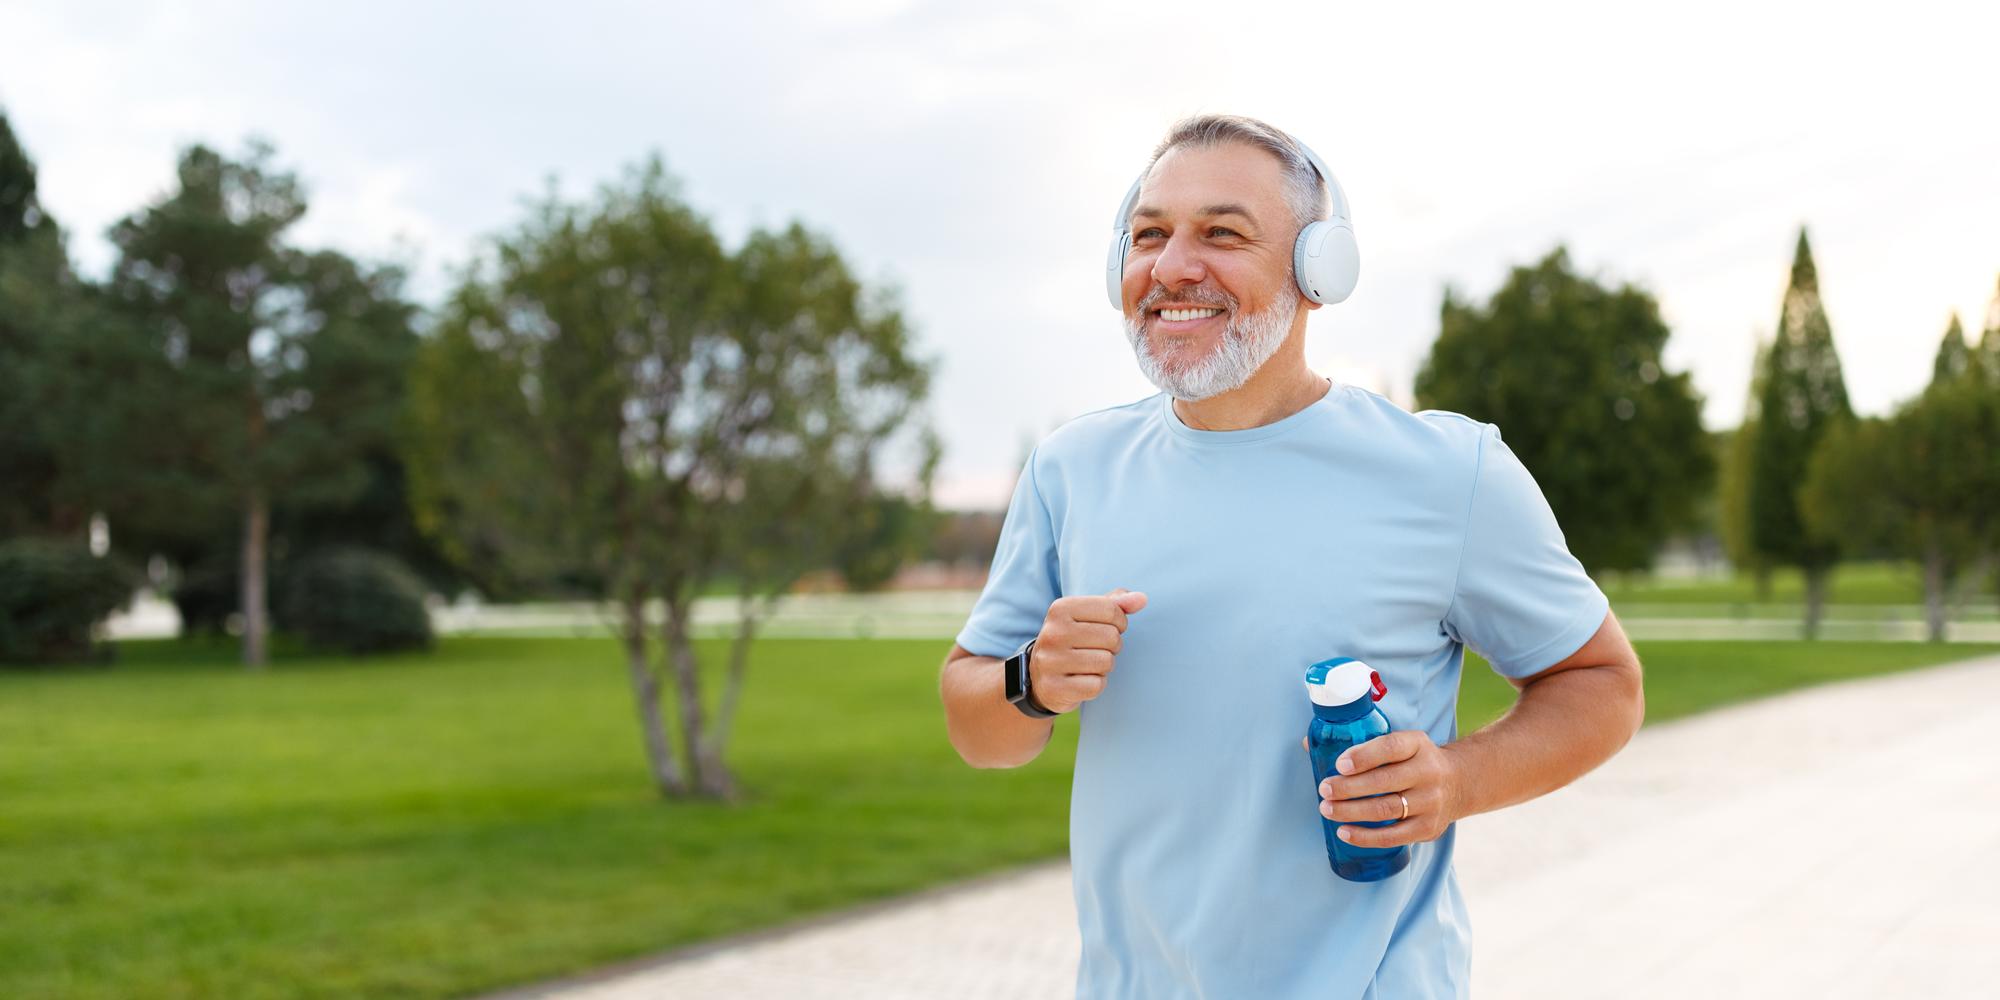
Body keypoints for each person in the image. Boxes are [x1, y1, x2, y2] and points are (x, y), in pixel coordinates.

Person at [937, 114, 1645, 999]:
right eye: (1149, 234)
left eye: (1221, 234)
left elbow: (1603, 685)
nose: (1172, 267)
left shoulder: (1449, 474)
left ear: (1320, 271)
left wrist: (1453, 781)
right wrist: (1030, 680)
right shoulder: (1071, 472)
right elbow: (979, 729)